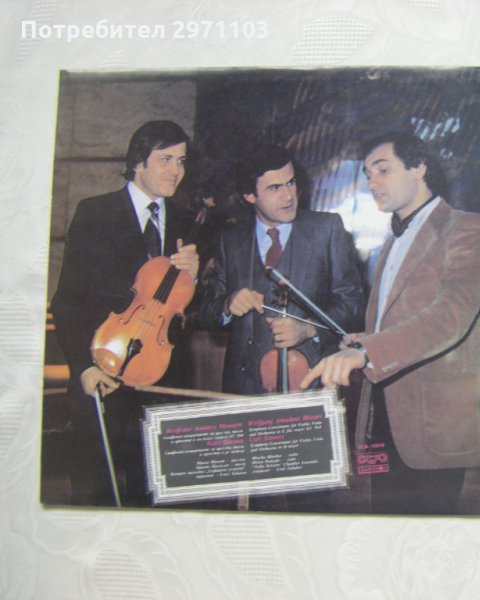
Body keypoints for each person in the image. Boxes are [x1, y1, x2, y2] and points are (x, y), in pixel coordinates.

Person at [301, 132, 480, 514]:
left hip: (436, 421)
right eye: (367, 174)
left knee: (428, 536)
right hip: (384, 414)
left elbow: (450, 316)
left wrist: (366, 351)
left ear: (418, 168)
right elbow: (403, 317)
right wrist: (365, 338)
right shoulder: (392, 239)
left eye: (383, 170)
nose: (371, 183)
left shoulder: (469, 228)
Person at [50, 120, 200, 505]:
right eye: (166, 159)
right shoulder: (95, 213)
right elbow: (67, 301)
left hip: (160, 380)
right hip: (103, 372)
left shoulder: (187, 221)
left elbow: (189, 310)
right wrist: (84, 367)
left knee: (153, 498)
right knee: (95, 496)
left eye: (181, 161)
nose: (176, 171)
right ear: (138, 162)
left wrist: (196, 278)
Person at [197, 143, 364, 396]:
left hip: (312, 383)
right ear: (249, 196)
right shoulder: (229, 239)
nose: (288, 196)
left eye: (291, 183)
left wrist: (309, 329)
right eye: (274, 188)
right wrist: (227, 305)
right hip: (244, 389)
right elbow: (206, 313)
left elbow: (352, 304)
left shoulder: (327, 229)